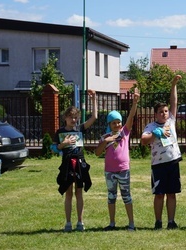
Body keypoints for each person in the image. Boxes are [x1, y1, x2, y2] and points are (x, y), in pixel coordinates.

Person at [52, 89, 97, 232]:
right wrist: (63, 144)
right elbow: (55, 148)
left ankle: (80, 222)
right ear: (65, 117)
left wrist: (94, 98)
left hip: (79, 163)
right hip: (67, 163)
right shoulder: (60, 132)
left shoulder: (80, 129)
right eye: (71, 117)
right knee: (68, 193)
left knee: (79, 192)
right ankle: (68, 223)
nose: (73, 120)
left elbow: (94, 117)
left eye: (75, 117)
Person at [141, 75, 182, 230]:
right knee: (159, 194)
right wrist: (155, 134)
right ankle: (158, 222)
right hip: (158, 165)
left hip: (173, 162)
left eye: (165, 111)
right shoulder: (151, 126)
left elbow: (174, 101)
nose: (164, 113)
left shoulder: (171, 120)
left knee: (172, 193)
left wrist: (173, 85)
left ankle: (171, 222)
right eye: (161, 112)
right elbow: (144, 140)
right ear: (155, 114)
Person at [95, 89, 140, 231]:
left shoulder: (124, 132)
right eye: (114, 123)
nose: (117, 125)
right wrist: (106, 141)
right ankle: (112, 223)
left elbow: (131, 117)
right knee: (111, 197)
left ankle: (131, 223)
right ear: (109, 124)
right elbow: (97, 153)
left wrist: (135, 103)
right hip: (109, 172)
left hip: (123, 170)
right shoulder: (105, 136)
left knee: (127, 196)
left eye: (119, 122)